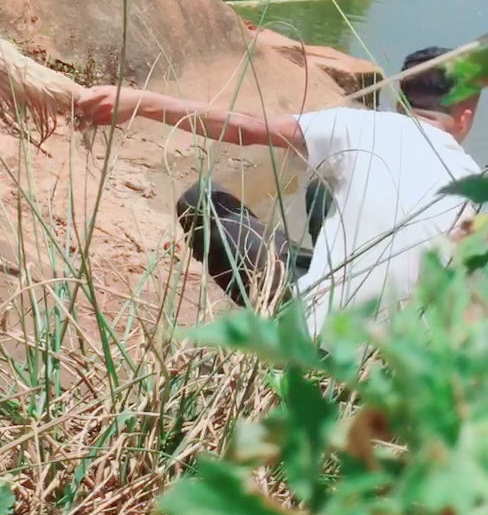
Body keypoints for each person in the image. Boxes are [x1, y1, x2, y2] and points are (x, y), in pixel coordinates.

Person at [77, 47, 482, 335]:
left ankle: (281, 316)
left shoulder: (362, 126)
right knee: (322, 193)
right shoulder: (472, 185)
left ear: (401, 98)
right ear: (465, 116)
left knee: (202, 201)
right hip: (394, 355)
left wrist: (142, 101)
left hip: (315, 334)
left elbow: (244, 127)